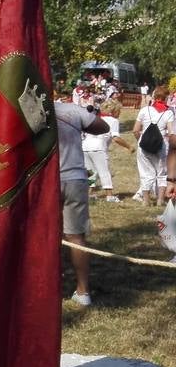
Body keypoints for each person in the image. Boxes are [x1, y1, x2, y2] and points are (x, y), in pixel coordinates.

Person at [56, 99, 108, 306]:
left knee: (46, 237)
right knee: (76, 237)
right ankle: (83, 291)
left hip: (46, 180)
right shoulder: (71, 109)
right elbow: (102, 127)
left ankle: (50, 286)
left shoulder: (32, 109)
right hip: (74, 177)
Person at [83, 99, 131, 202]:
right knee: (104, 171)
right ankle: (109, 196)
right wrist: (129, 147)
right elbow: (116, 138)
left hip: (85, 146)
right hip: (98, 147)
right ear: (113, 111)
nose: (120, 113)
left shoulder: (95, 118)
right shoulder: (113, 121)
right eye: (119, 111)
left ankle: (87, 194)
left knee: (91, 172)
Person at [133, 84, 172, 205]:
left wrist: (142, 140)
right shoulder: (169, 113)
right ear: (165, 97)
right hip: (162, 146)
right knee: (161, 173)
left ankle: (146, 200)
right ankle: (160, 200)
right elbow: (171, 132)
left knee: (145, 172)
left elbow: (135, 130)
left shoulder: (144, 110)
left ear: (154, 96)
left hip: (144, 145)